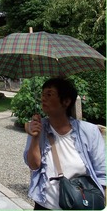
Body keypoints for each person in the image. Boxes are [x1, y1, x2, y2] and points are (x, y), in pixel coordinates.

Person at [24, 78, 106, 210]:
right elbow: (34, 165)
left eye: (49, 94)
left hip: (80, 205)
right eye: (43, 94)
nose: (43, 98)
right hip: (45, 204)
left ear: (66, 101)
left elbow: (102, 172)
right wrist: (35, 137)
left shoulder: (89, 131)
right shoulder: (38, 127)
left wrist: (98, 202)